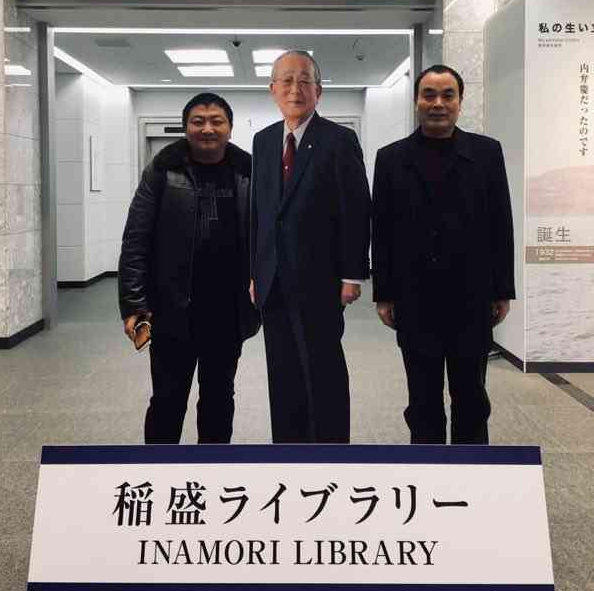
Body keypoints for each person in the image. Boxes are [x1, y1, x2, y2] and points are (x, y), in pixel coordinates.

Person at [372, 64, 515, 444]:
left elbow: (501, 223)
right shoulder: (391, 158)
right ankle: (426, 470)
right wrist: (384, 293)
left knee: (471, 397)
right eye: (429, 95)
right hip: (414, 296)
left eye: (447, 95)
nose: (438, 103)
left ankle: (472, 470)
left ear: (460, 101)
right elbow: (381, 230)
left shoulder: (486, 153)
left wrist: (503, 289)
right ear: (417, 101)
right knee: (422, 400)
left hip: (471, 295)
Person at [118, 92, 260, 444]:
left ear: (229, 128)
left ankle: (212, 469)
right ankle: (159, 469)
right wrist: (134, 304)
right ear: (186, 128)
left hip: (228, 312)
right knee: (167, 399)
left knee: (219, 398)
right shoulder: (162, 170)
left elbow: (266, 237)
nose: (208, 128)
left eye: (216, 121)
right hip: (171, 311)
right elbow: (136, 238)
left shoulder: (249, 172)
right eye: (198, 121)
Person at [250, 50, 371, 444]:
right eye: (286, 80)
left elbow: (356, 210)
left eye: (304, 80)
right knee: (282, 374)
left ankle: (332, 454)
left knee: (322, 372)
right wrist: (254, 272)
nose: (295, 89)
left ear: (319, 91)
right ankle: (288, 451)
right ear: (272, 89)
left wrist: (352, 274)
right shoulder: (263, 141)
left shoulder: (339, 140)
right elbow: (260, 212)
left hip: (321, 281)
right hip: (272, 281)